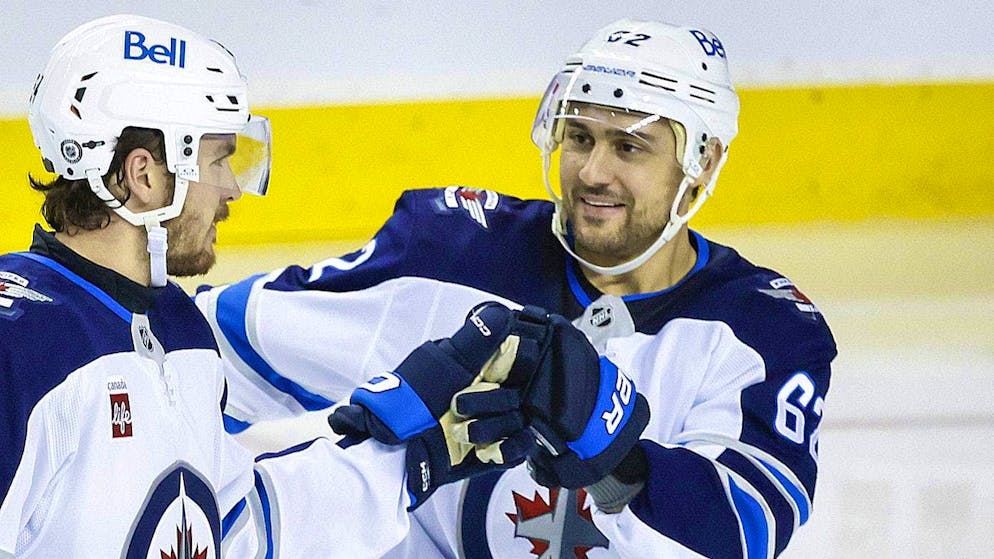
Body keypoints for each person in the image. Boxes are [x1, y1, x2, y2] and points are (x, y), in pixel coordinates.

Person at [197, 18, 837, 558]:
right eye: (580, 137)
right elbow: (210, 346)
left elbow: (748, 526)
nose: (592, 172)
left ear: (699, 170)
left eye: (630, 148)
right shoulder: (451, 251)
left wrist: (616, 453)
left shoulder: (765, 331)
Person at [0, 14, 548, 557]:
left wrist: (407, 460)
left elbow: (232, 534)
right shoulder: (19, 346)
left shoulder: (180, 333)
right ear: (145, 176)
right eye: (217, 161)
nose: (231, 191)